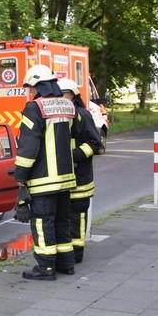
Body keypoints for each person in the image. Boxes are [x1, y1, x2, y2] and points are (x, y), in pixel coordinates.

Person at [14, 65, 77, 280]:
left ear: (37, 85)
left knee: (42, 221)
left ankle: (46, 267)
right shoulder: (67, 105)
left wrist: (20, 175)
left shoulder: (35, 107)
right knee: (61, 220)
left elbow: (29, 146)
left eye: (30, 88)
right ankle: (66, 263)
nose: (30, 93)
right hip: (66, 178)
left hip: (43, 179)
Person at [58, 77, 102, 265]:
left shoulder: (82, 115)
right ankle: (66, 254)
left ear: (73, 95)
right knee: (63, 217)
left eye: (64, 94)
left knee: (77, 217)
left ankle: (77, 254)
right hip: (61, 179)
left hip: (80, 178)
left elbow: (95, 143)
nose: (61, 98)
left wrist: (73, 155)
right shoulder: (57, 116)